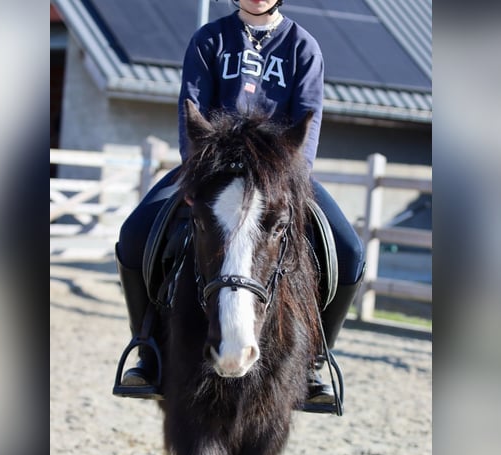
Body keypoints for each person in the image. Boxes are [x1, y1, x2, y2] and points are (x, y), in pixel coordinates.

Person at [114, 0, 365, 413]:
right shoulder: (209, 40)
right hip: (212, 169)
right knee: (133, 236)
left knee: (351, 254)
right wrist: (197, 169)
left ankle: (316, 361)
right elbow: (190, 108)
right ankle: (146, 350)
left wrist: (287, 176)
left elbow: (308, 120)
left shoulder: (303, 47)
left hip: (277, 174)